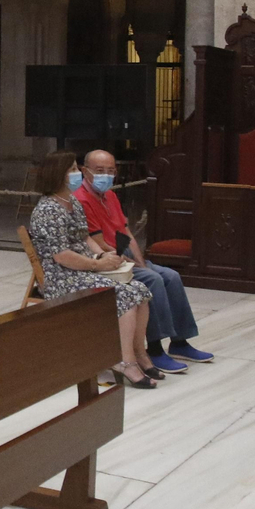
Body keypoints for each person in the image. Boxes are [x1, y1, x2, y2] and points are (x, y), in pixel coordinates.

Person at [27, 150, 160, 389]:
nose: (78, 174)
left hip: (83, 269)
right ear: (58, 175)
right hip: (63, 277)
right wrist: (97, 264)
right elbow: (62, 256)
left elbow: (84, 237)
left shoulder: (71, 202)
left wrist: (102, 254)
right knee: (126, 295)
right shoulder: (48, 210)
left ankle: (139, 352)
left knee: (140, 289)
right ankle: (124, 361)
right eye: (73, 170)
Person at [77, 149, 213, 372]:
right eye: (100, 171)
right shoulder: (81, 199)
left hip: (125, 256)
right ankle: (155, 347)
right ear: (85, 171)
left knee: (171, 276)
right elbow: (97, 242)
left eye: (111, 171)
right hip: (107, 260)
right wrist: (125, 261)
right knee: (152, 279)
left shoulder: (110, 196)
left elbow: (126, 232)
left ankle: (180, 342)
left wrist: (139, 259)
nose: (106, 176)